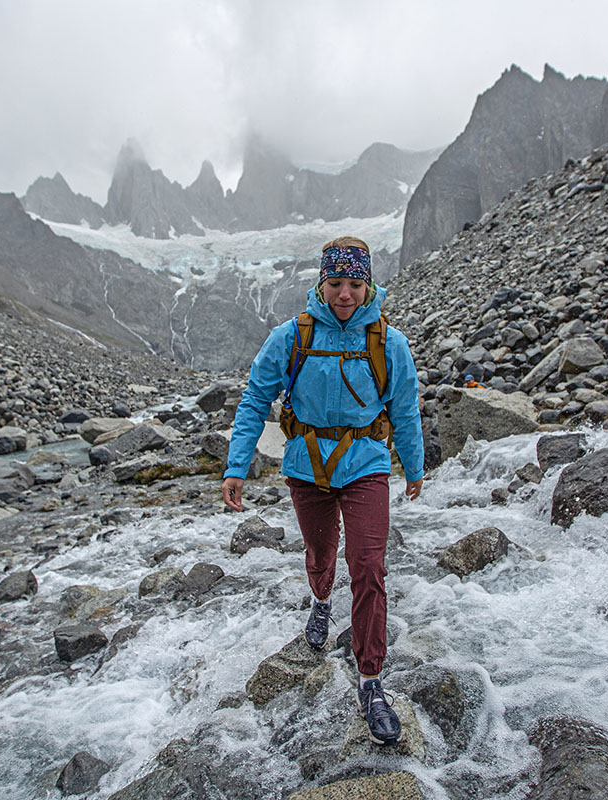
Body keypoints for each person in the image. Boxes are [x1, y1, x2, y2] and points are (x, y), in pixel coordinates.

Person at [221, 236, 424, 745]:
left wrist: (415, 467)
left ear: (369, 284)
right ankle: (319, 601)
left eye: (355, 284)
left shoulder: (388, 343)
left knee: (369, 564)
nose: (346, 294)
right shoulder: (290, 337)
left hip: (367, 464)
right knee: (320, 551)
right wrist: (236, 466)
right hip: (306, 465)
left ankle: (371, 680)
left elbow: (404, 409)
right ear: (321, 282)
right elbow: (254, 401)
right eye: (336, 283)